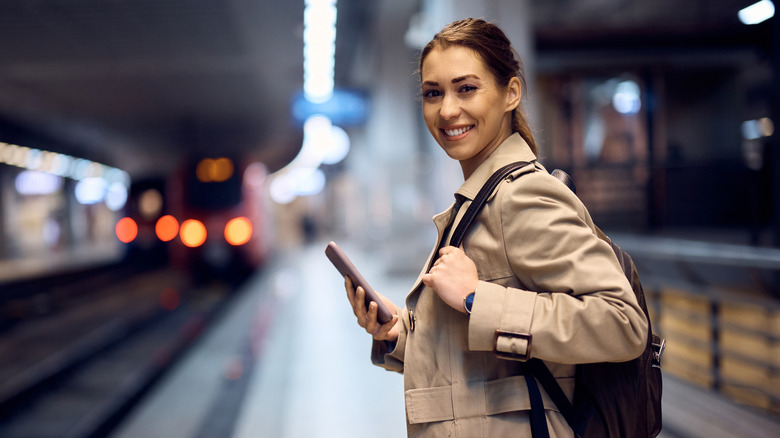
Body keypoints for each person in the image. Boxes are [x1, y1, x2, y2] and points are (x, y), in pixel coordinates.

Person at [343, 18, 648, 437]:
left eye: (466, 88)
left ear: (511, 93)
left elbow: (622, 323)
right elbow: (477, 369)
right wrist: (398, 332)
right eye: (433, 93)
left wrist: (474, 298)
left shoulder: (522, 197)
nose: (447, 109)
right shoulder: (478, 202)